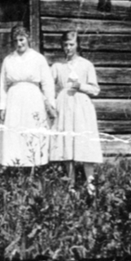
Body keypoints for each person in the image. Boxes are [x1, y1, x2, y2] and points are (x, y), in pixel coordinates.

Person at [49, 31, 103, 194]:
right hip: (64, 105)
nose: (68, 48)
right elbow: (48, 87)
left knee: (85, 141)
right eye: (65, 45)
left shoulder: (86, 65)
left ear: (77, 45)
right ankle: (70, 184)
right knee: (67, 143)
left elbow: (95, 89)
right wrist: (50, 104)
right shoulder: (58, 67)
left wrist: (81, 86)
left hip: (81, 106)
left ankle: (90, 183)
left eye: (71, 44)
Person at [0, 25, 56, 169]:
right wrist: (2, 106)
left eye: (21, 39)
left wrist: (51, 104)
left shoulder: (38, 58)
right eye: (16, 41)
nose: (19, 44)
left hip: (33, 98)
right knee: (14, 133)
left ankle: (34, 168)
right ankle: (15, 167)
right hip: (14, 100)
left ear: (28, 38)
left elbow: (47, 83)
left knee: (32, 131)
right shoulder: (8, 60)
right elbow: (3, 85)